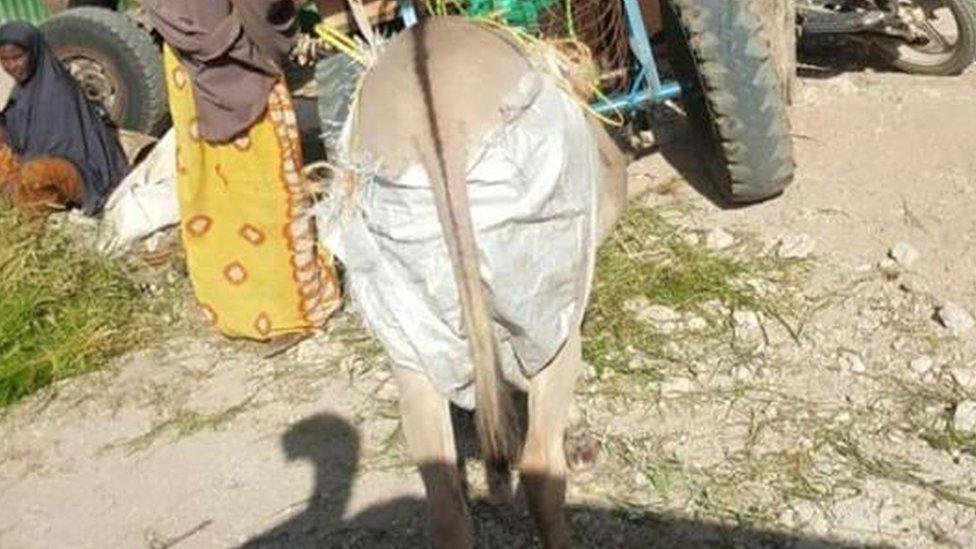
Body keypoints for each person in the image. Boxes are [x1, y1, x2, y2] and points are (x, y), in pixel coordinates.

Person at [144, 0, 341, 344]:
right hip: (244, 59)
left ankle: (238, 307)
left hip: (186, 65)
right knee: (264, 185)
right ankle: (286, 309)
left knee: (215, 187)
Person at [0, 21, 128, 215]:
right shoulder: (22, 93)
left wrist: (19, 165)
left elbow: (63, 148)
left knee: (34, 177)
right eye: (4, 60)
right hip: (31, 160)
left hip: (79, 170)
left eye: (17, 57)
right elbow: (15, 137)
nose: (11, 66)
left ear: (34, 53)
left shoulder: (59, 90)